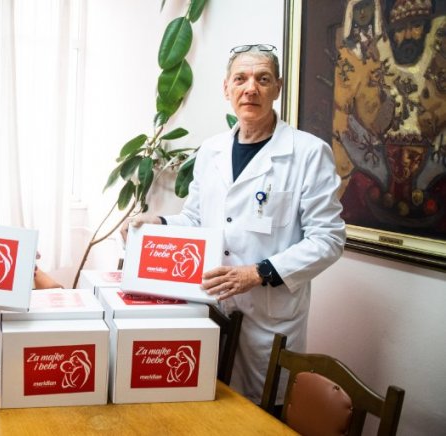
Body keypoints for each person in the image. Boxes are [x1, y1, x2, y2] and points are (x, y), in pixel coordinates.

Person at [120, 44, 346, 404]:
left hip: (269, 320)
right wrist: (158, 221)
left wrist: (258, 272)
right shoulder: (211, 151)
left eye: (263, 79)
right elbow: (197, 219)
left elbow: (328, 239)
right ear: (226, 88)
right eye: (240, 79)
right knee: (208, 403)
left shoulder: (308, 153)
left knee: (262, 414)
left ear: (278, 88)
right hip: (212, 309)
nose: (250, 88)